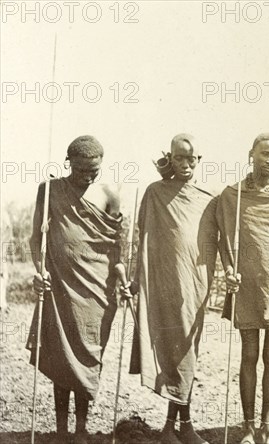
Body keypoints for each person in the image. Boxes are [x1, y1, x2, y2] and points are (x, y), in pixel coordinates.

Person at [27, 135, 123, 444]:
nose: (88, 176)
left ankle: (81, 429)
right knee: (61, 356)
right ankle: (61, 430)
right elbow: (35, 238)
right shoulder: (50, 190)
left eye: (94, 170)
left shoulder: (110, 194)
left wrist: (121, 270)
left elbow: (115, 245)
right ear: (69, 163)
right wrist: (39, 270)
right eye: (82, 170)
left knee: (87, 355)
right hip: (60, 287)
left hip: (98, 290)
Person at [128, 134, 218, 444]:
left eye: (191, 159)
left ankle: (181, 426)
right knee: (172, 350)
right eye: (179, 158)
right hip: (164, 283)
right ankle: (175, 427)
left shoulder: (209, 197)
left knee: (189, 351)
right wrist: (135, 278)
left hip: (195, 285)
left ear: (199, 160)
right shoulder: (155, 193)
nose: (186, 164)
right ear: (171, 158)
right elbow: (142, 238)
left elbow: (218, 242)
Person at [216, 133, 269, 444]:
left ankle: (267, 427)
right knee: (249, 353)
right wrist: (229, 270)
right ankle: (249, 428)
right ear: (250, 154)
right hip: (247, 284)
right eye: (265, 153)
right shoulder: (232, 196)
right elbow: (224, 240)